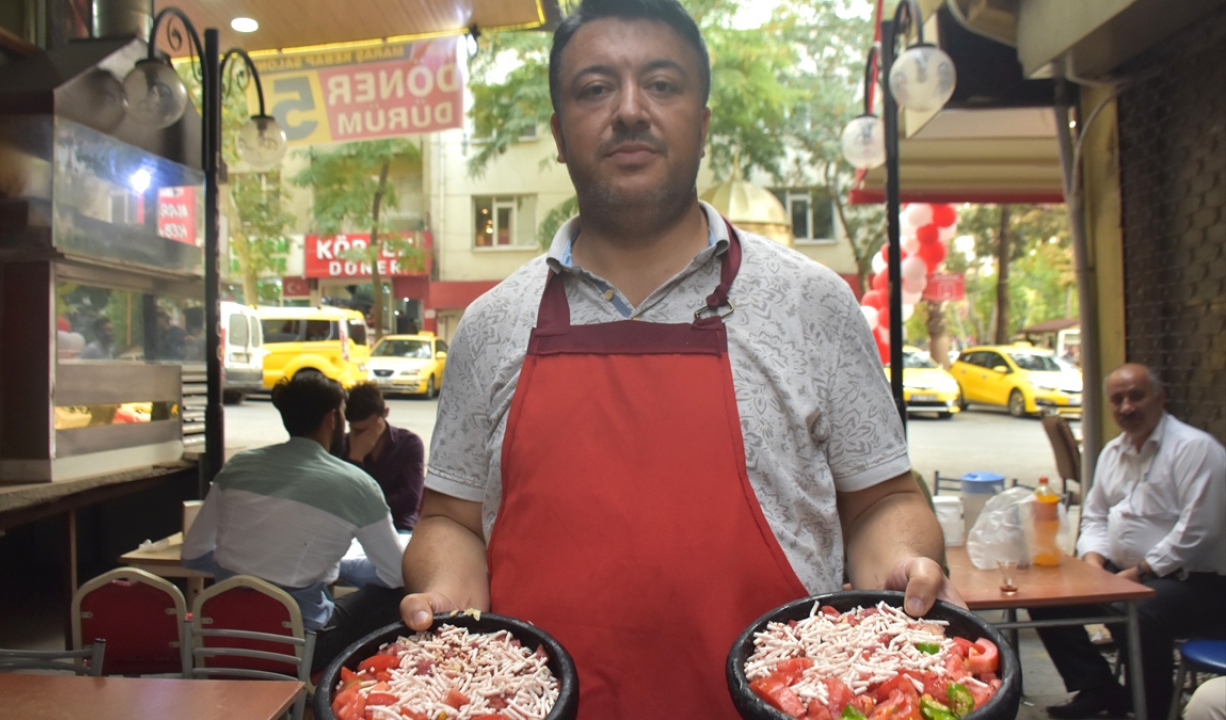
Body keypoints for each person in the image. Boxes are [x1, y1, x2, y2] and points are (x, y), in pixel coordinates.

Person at [398, 1, 959, 716]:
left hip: (782, 702)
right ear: (560, 134)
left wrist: (905, 567)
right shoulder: (489, 325)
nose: (629, 110)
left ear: (703, 121)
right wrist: (446, 600)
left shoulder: (812, 302)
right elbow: (449, 520)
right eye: (595, 88)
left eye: (661, 84)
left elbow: (882, 501)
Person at [1030, 363, 1226, 720]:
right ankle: (1101, 690)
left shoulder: (1194, 449)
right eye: (1117, 400)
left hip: (1197, 583)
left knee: (1137, 610)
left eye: (1136, 396)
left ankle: (1151, 708)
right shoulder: (1112, 452)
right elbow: (1095, 516)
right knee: (1046, 596)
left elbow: (1199, 529)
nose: (1126, 407)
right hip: (1123, 573)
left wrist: (1138, 573)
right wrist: (1093, 564)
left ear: (1159, 396)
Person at [181, 373, 406, 669]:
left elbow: (192, 555)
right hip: (300, 647)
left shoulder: (238, 467)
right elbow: (397, 574)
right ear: (332, 419)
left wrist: (251, 575)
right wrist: (344, 569)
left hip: (222, 639)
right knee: (396, 596)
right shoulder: (357, 486)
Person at [343, 382, 426, 531]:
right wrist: (355, 458)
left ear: (385, 413)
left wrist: (366, 509)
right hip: (354, 528)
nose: (361, 437)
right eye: (356, 431)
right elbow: (345, 501)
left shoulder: (409, 444)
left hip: (398, 525)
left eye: (367, 430)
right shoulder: (343, 445)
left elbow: (410, 499)